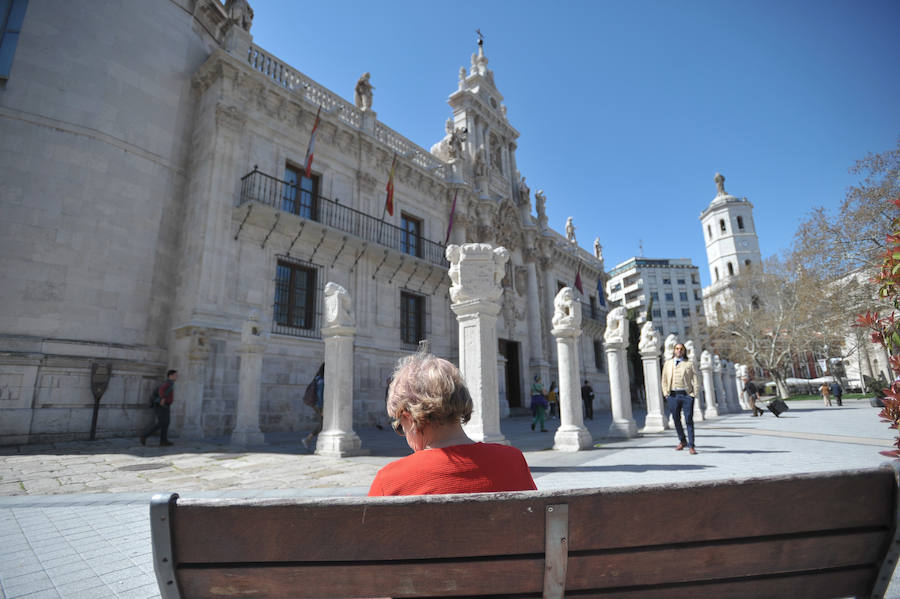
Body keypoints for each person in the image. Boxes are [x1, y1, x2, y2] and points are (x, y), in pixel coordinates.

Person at [368, 353, 536, 495]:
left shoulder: (389, 481)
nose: (402, 432)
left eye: (400, 426)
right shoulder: (513, 460)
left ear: (410, 419)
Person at [661, 343, 698, 454]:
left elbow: (696, 379)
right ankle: (682, 441)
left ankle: (691, 445)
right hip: (672, 395)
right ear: (674, 350)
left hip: (686, 395)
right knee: (676, 419)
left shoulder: (689, 364)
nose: (679, 351)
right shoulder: (667, 363)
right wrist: (666, 394)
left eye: (681, 349)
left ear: (684, 351)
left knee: (688, 420)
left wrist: (693, 394)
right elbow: (664, 380)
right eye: (677, 349)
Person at [141, 370, 177, 447]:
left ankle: (163, 441)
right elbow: (161, 390)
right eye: (175, 375)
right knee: (162, 422)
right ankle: (144, 436)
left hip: (165, 405)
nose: (177, 377)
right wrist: (163, 399)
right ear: (170, 376)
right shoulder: (167, 383)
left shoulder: (170, 383)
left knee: (166, 423)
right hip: (161, 405)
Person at [302, 364, 325, 449]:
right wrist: (322, 408)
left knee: (323, 424)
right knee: (324, 424)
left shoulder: (317, 378)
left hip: (316, 405)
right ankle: (308, 439)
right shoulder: (322, 381)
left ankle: (309, 439)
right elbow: (320, 395)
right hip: (319, 405)